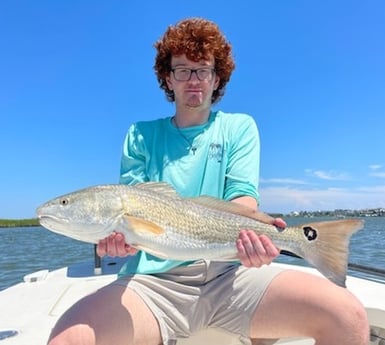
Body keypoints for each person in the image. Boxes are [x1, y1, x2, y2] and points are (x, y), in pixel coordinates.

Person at [48, 18, 369, 345]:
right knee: (68, 339)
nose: (193, 80)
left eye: (203, 70)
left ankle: (308, 243)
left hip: (228, 275)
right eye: (182, 70)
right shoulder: (140, 136)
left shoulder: (239, 128)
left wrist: (254, 238)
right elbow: (132, 229)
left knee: (349, 316)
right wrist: (119, 241)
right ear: (167, 78)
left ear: (217, 79)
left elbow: (243, 198)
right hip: (152, 283)